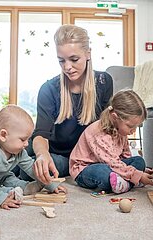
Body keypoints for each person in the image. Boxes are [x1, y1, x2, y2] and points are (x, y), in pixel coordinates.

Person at [19, 24, 113, 185]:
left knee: (28, 170)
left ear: (88, 54)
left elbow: (108, 129)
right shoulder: (48, 89)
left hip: (76, 158)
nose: (67, 67)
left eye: (74, 59)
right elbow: (41, 134)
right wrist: (42, 155)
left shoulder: (104, 82)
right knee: (12, 148)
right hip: (51, 149)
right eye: (61, 61)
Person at [69, 90, 153, 194]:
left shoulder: (121, 130)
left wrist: (138, 171)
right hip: (85, 169)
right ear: (115, 117)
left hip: (112, 164)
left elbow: (125, 157)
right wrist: (137, 175)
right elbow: (111, 162)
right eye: (130, 126)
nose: (133, 131)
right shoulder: (98, 133)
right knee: (103, 172)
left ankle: (123, 182)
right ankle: (127, 183)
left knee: (139, 161)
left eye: (136, 127)